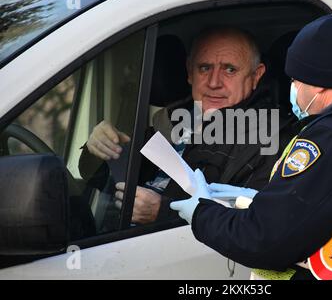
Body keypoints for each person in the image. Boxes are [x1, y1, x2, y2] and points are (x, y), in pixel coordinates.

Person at [170, 14, 332, 280]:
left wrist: (201, 215)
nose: (294, 90)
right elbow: (328, 211)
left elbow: (266, 240)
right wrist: (257, 199)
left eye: (296, 80)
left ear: (319, 83)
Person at [79, 28, 296, 226]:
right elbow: (102, 180)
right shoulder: (172, 121)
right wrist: (99, 149)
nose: (213, 82)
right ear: (189, 72)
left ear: (256, 75)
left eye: (229, 70)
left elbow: (256, 225)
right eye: (204, 68)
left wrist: (164, 212)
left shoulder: (270, 139)